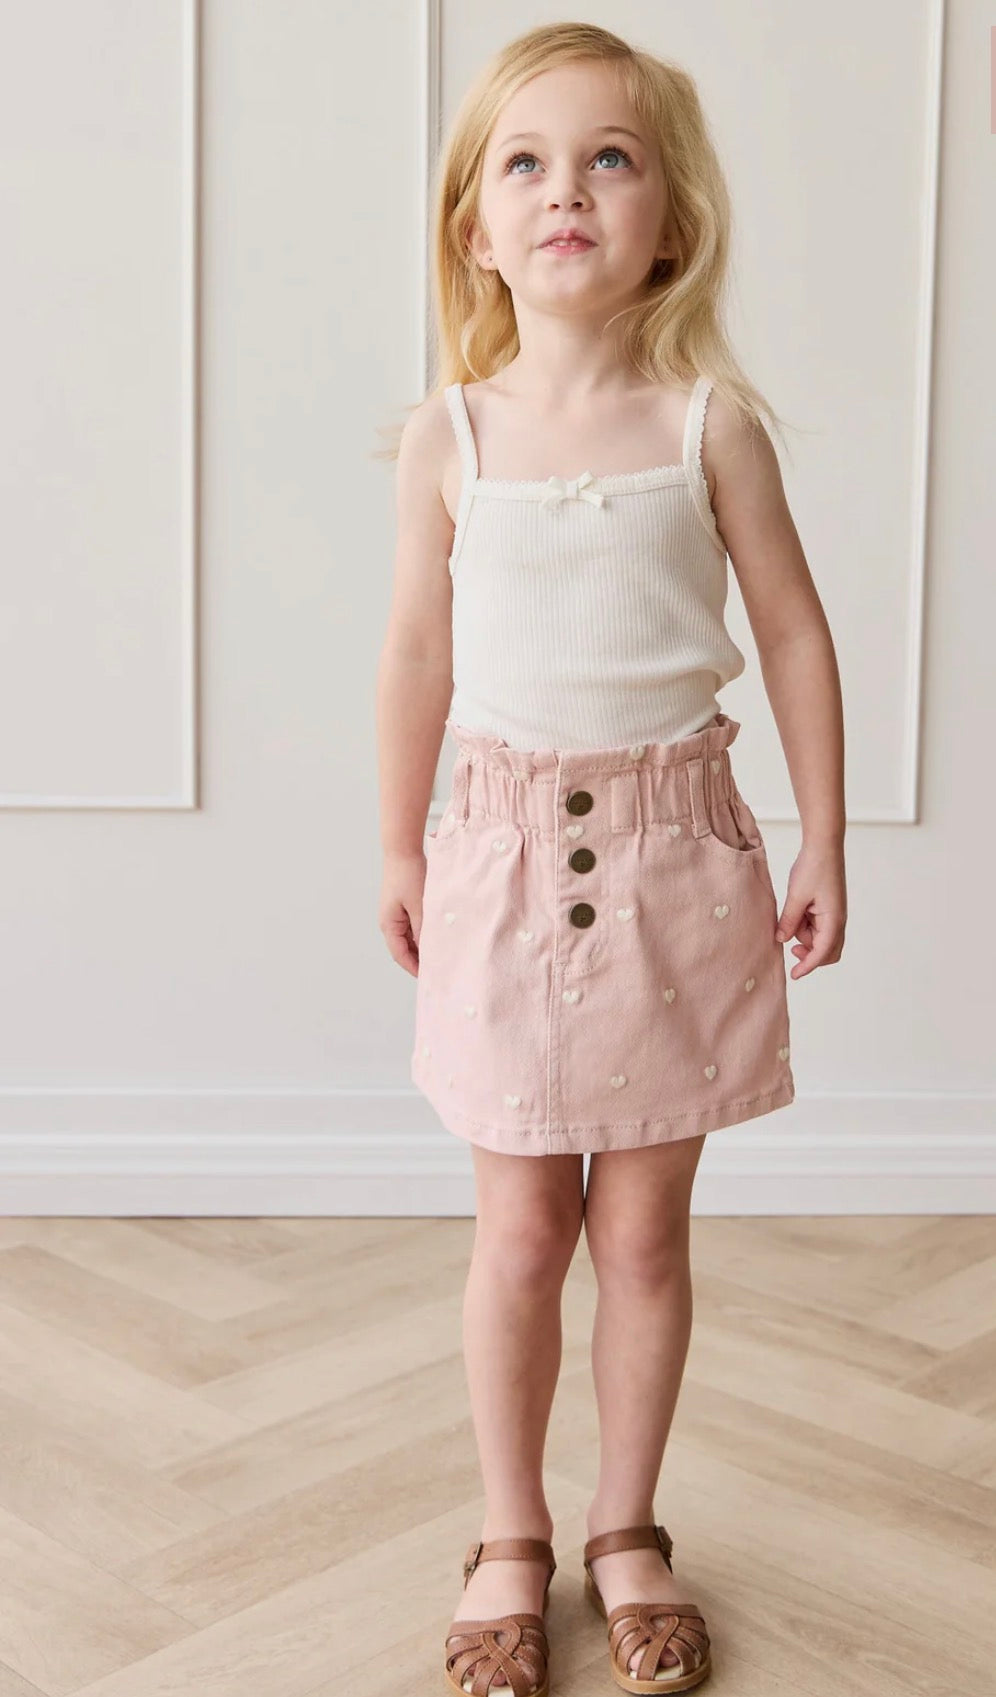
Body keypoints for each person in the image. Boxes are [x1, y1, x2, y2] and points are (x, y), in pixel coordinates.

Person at [376, 20, 846, 1695]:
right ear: (477, 228)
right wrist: (398, 842)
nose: (565, 189)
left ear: (670, 221)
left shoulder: (711, 426)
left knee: (642, 1235)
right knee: (520, 1232)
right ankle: (507, 1531)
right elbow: (417, 653)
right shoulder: (451, 436)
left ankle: (625, 1523)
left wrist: (826, 832)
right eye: (526, 162)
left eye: (610, 158)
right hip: (503, 866)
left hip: (674, 868)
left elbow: (793, 632)